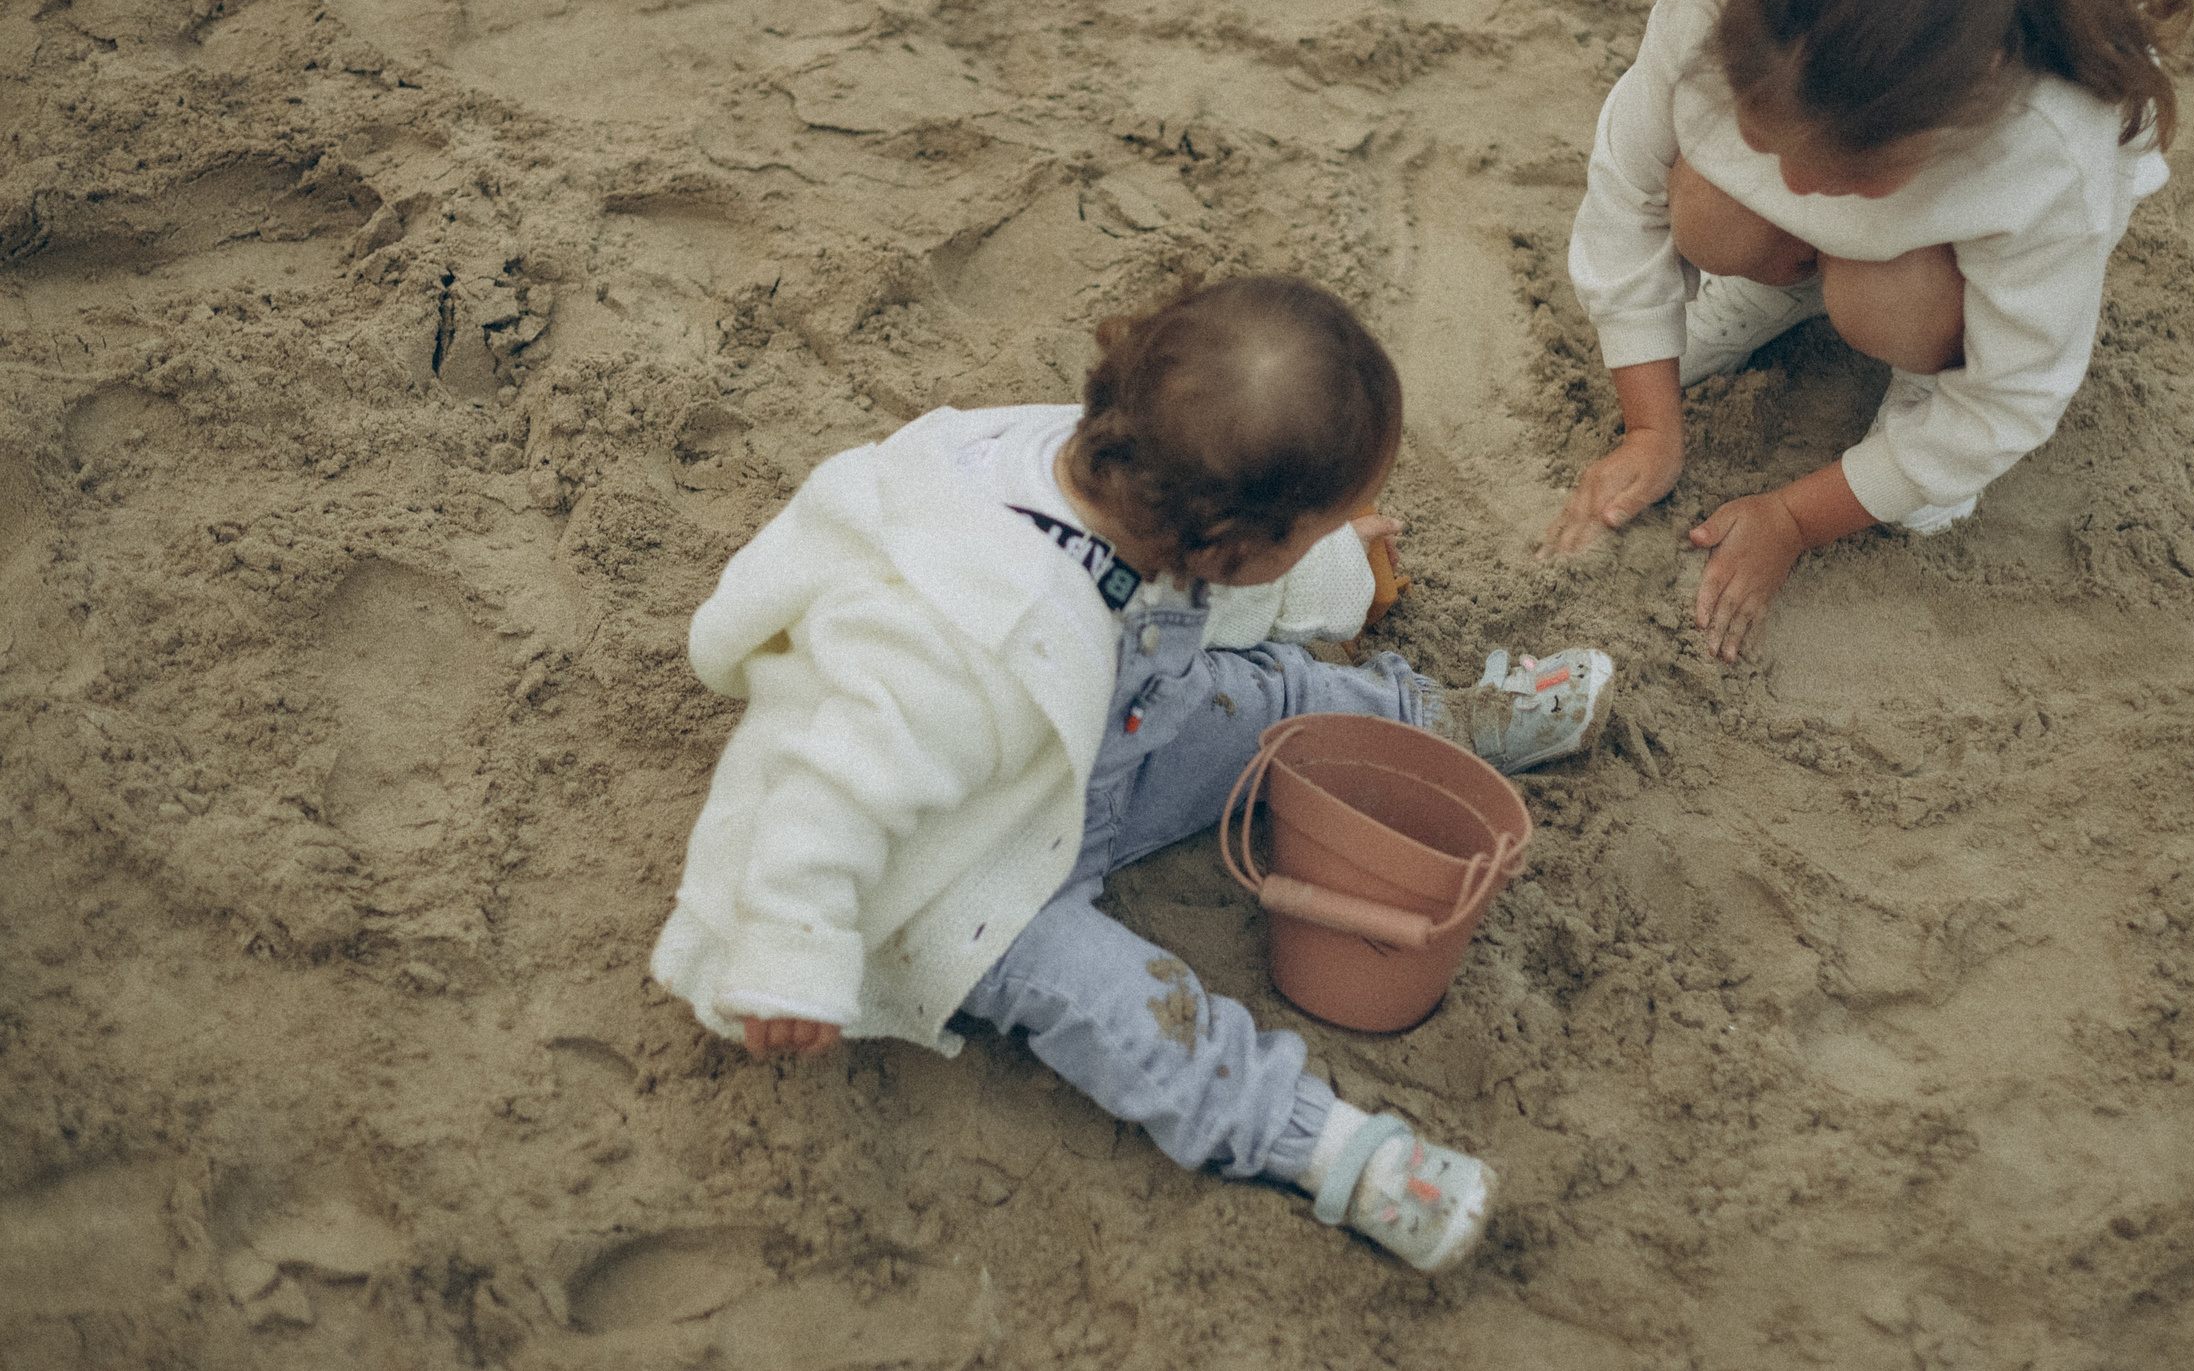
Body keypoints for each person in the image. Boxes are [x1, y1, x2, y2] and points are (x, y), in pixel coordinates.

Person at [651, 276, 1615, 1273]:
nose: (1341, 532)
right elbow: (829, 779)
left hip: (1097, 737)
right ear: (1235, 544)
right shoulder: (959, 633)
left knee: (1265, 695)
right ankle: (1327, 1148)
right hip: (972, 867)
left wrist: (1329, 565)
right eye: (1321, 528)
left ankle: (1440, 723)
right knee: (1140, 1005)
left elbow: (1226, 599)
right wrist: (792, 954)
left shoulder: (1126, 465)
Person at [1542, 0, 2192, 660]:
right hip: (1873, 112)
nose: (1798, 193)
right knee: (1709, 211)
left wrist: (1793, 518)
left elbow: (2012, 397)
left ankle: (1922, 373)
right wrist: (1651, 431)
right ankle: (1782, 289)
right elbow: (1626, 193)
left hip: (1933, 272)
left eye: (1845, 179)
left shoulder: (2045, 143)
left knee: (1884, 299)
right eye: (1765, 147)